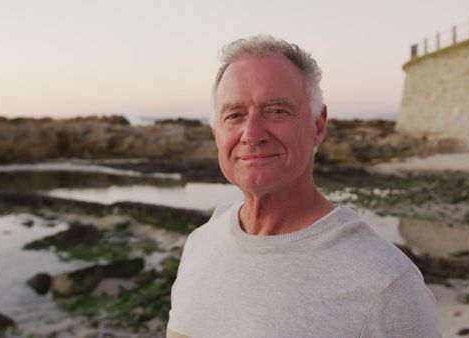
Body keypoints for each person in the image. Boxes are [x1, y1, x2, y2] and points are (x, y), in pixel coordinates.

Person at [167, 35, 441, 338]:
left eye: (277, 111)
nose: (252, 133)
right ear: (216, 132)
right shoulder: (201, 245)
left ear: (318, 125)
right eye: (234, 115)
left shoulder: (386, 285)